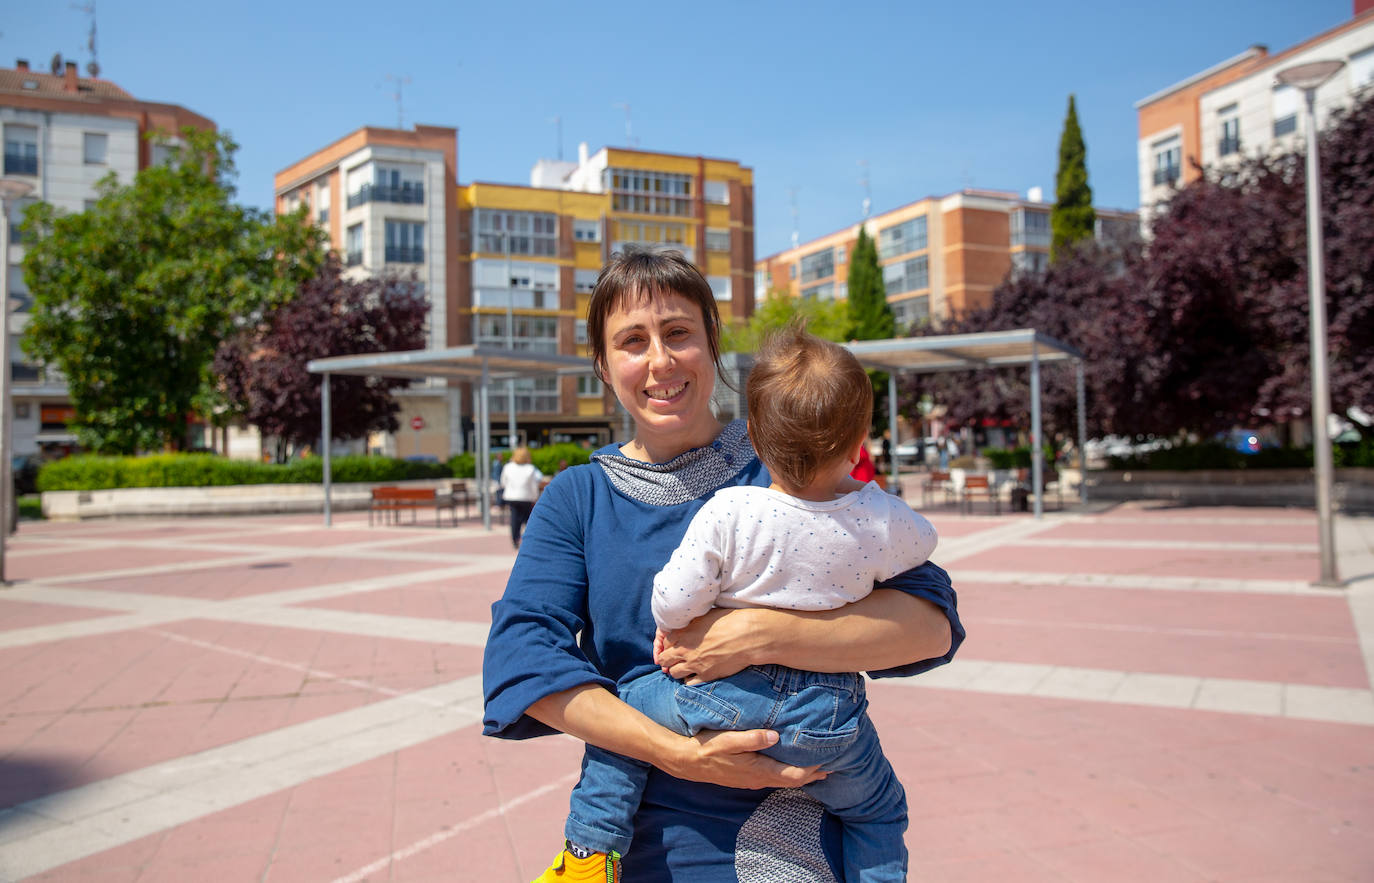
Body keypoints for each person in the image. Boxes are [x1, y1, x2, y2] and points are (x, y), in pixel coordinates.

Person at [482, 248, 963, 881]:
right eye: (632, 341)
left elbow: (931, 624)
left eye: (678, 332)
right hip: (641, 828)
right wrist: (681, 754)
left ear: (712, 341)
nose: (660, 360)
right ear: (603, 365)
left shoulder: (787, 465)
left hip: (792, 823)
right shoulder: (578, 498)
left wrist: (765, 634)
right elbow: (522, 659)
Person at [556, 326, 939, 881]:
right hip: (833, 720)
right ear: (860, 442)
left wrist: (673, 627)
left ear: (756, 439)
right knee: (879, 811)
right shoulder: (881, 518)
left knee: (624, 708)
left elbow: (674, 593)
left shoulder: (732, 508)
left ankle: (590, 850)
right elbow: (925, 547)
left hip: (731, 699)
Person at [498, 446, 544, 549]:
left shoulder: (508, 467)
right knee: (528, 519)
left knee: (514, 518)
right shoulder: (530, 468)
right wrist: (535, 497)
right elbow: (533, 485)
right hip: (526, 497)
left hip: (512, 497)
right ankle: (530, 539)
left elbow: (503, 482)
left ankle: (515, 540)